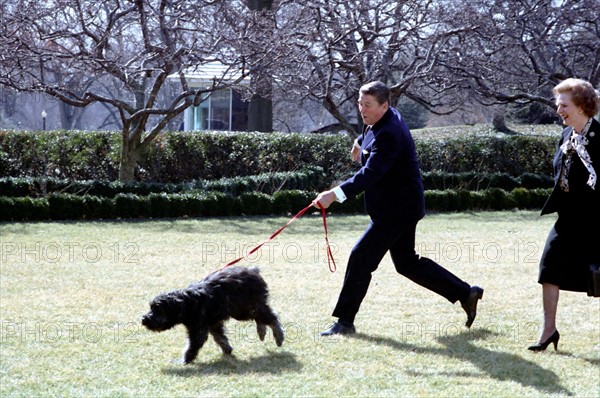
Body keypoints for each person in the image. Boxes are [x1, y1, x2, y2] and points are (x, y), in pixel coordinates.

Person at [312, 81, 484, 336]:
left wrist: (334, 194)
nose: (362, 109)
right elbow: (370, 131)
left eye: (367, 105)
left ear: (384, 105)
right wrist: (360, 141)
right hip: (397, 206)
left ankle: (345, 322)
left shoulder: (390, 131)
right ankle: (465, 293)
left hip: (397, 210)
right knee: (407, 263)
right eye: (360, 103)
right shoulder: (380, 118)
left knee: (360, 258)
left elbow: (371, 172)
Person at [528, 78, 600, 352]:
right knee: (549, 268)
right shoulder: (565, 136)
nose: (558, 110)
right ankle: (549, 331)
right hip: (568, 218)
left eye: (564, 105)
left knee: (598, 277)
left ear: (582, 105)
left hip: (596, 220)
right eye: (558, 104)